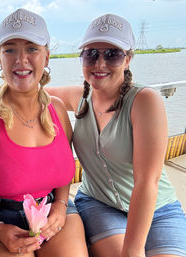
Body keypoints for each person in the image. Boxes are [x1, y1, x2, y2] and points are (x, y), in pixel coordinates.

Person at [46, 13, 186, 257]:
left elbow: (147, 182)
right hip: (99, 203)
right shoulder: (78, 97)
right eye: (91, 53)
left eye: (112, 54)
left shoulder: (145, 101)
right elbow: (29, 91)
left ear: (128, 59)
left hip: (158, 208)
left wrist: (132, 251)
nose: (100, 64)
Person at [0, 8, 88, 257]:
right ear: (0, 58)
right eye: (10, 49)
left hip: (52, 209)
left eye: (32, 49)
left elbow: (63, 173)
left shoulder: (57, 109)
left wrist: (59, 205)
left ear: (46, 57)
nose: (21, 59)